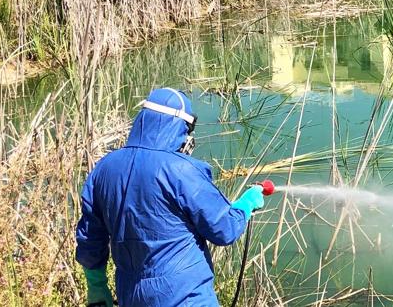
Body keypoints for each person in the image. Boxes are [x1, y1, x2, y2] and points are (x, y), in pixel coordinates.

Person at [75, 88, 269, 307]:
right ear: (178, 126)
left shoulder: (104, 168)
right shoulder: (182, 171)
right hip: (187, 297)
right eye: (188, 129)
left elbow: (90, 237)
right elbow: (224, 230)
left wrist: (96, 285)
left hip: (132, 297)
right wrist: (246, 204)